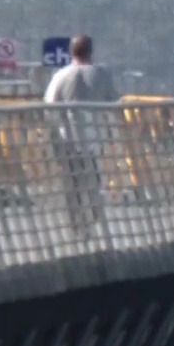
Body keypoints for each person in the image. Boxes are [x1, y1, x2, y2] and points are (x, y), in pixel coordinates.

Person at [44, 35, 120, 231]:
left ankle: (75, 221)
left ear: (71, 52)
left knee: (71, 181)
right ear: (91, 52)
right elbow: (113, 102)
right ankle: (94, 216)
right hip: (93, 139)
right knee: (92, 179)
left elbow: (50, 106)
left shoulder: (61, 75)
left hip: (67, 138)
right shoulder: (101, 74)